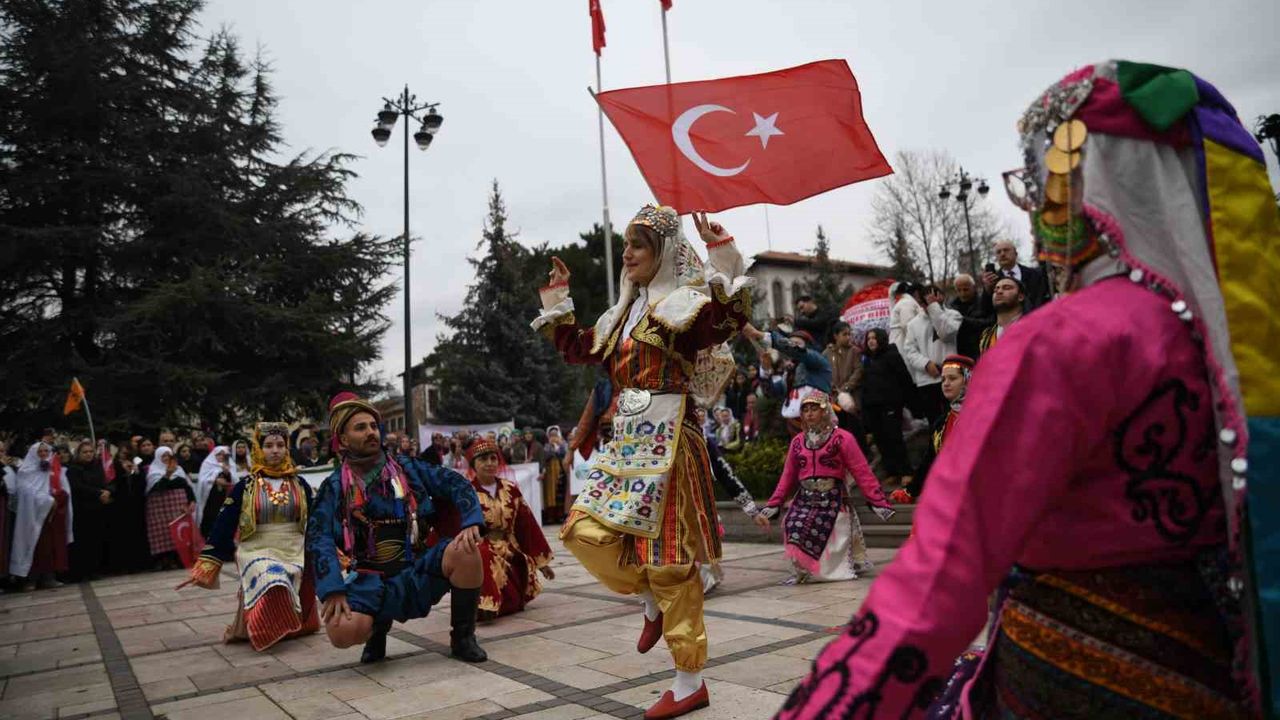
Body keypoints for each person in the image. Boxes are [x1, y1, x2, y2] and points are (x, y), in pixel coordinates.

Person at [778, 59, 1277, 719]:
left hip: (1064, 683)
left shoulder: (1060, 341)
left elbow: (940, 576)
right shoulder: (1240, 345)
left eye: (1038, 182)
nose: (1036, 210)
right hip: (1217, 677)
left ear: (1078, 188)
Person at [533, 206, 751, 719]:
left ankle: (689, 680)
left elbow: (726, 321)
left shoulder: (684, 307)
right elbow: (578, 348)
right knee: (581, 531)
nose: (627, 254)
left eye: (638, 246)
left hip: (671, 440)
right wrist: (558, 298)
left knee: (671, 560)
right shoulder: (621, 315)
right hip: (628, 444)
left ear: (662, 253)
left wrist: (722, 253)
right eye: (627, 245)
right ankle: (648, 596)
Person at [306, 392, 488, 665]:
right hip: (368, 577)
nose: (371, 432)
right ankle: (376, 630)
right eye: (360, 428)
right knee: (341, 631)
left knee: (466, 551)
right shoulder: (333, 487)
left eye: (373, 426)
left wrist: (471, 520)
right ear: (342, 439)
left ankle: (463, 638)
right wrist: (332, 589)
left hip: (416, 567)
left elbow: (456, 483)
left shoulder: (407, 467)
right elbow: (317, 536)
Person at [180, 423, 319, 651]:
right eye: (269, 445)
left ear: (287, 449)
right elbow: (224, 523)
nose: (275, 450)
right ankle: (264, 629)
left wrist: (333, 548)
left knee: (288, 578)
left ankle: (287, 626)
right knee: (272, 577)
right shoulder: (245, 486)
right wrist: (209, 560)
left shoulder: (299, 484)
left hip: (294, 547)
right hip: (257, 548)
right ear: (259, 449)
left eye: (280, 445)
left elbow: (316, 521)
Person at [756, 391, 894, 584]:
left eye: (814, 409)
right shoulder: (797, 442)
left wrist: (878, 501)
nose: (809, 414)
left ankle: (829, 570)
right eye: (805, 410)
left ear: (825, 411)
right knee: (792, 523)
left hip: (834, 499)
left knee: (832, 524)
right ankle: (806, 568)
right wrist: (774, 503)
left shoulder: (842, 438)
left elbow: (862, 471)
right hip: (805, 499)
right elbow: (787, 476)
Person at [462, 437, 554, 620]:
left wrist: (542, 564)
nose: (490, 463)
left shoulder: (511, 489)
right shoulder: (466, 493)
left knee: (513, 600)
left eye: (493, 458)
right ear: (473, 465)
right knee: (482, 554)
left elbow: (527, 526)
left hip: (509, 549)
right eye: (483, 459)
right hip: (480, 548)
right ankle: (485, 604)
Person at [890, 354, 974, 506]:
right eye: (943, 379)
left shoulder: (984, 418)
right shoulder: (941, 423)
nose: (946, 384)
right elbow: (929, 460)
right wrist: (911, 491)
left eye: (952, 378)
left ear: (968, 380)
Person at [5, 442, 72, 590]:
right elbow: (25, 490)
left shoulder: (51, 468)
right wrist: (46, 500)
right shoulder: (25, 471)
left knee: (48, 548)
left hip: (48, 516)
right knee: (32, 547)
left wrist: (57, 496)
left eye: (46, 451)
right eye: (40, 451)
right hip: (31, 516)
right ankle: (30, 580)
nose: (43, 454)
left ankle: (48, 577)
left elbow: (59, 486)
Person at [859, 328, 915, 488]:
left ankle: (906, 472)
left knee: (894, 437)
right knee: (881, 439)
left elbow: (904, 378)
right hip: (872, 405)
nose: (871, 341)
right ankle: (892, 472)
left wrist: (908, 401)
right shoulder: (866, 359)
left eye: (874, 338)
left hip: (890, 404)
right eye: (868, 338)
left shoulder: (891, 355)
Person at [901, 287, 962, 426]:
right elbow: (910, 351)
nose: (928, 302)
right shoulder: (913, 324)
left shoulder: (954, 315)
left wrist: (934, 308)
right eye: (925, 300)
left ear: (942, 296)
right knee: (935, 422)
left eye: (933, 296)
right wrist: (926, 364)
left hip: (952, 376)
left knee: (956, 420)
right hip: (927, 380)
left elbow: (946, 333)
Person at [66, 440, 113, 581]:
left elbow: (104, 482)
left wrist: (107, 492)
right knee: (83, 542)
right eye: (85, 452)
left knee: (96, 540)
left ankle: (94, 569)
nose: (88, 454)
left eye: (91, 451)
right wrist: (98, 493)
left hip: (97, 509)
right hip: (82, 510)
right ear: (78, 454)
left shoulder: (97, 467)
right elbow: (77, 487)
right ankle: (81, 572)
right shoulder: (73, 469)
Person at [144, 446, 196, 569]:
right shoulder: (154, 471)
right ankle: (164, 561)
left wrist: (192, 501)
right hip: (160, 509)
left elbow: (187, 487)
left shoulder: (179, 469)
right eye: (164, 456)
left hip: (178, 507)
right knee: (164, 534)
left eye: (169, 456)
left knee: (179, 532)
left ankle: (179, 559)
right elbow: (157, 488)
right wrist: (168, 474)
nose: (167, 458)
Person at [959, 276, 1026, 361]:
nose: (999, 291)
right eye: (996, 289)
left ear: (1021, 297)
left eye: (1007, 288)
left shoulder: (1033, 329)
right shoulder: (986, 336)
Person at [981, 239, 1052, 313]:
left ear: (1016, 253)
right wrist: (987, 290)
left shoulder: (1035, 274)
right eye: (999, 252)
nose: (1002, 254)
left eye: (1006, 250)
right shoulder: (993, 281)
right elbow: (985, 310)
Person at [196, 445, 234, 537]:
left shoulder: (229, 465)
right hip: (210, 496)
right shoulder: (207, 464)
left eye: (223, 455)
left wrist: (227, 473)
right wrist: (214, 480)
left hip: (224, 496)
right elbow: (202, 480)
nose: (221, 457)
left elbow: (234, 480)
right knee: (210, 516)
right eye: (219, 454)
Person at [539, 426, 569, 524]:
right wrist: (553, 449)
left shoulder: (563, 444)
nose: (553, 437)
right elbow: (545, 456)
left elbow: (566, 454)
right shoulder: (547, 446)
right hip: (550, 473)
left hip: (561, 471)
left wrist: (558, 447)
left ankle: (561, 515)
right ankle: (551, 516)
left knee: (560, 493)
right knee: (550, 494)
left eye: (555, 435)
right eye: (551, 435)